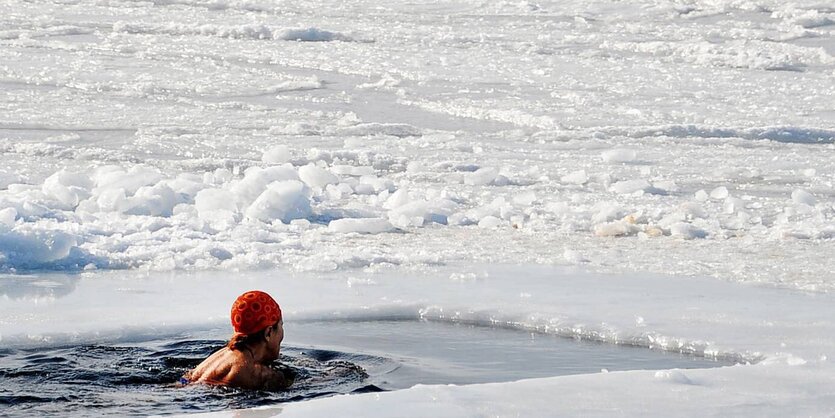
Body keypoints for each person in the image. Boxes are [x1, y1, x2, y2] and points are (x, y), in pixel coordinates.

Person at [180, 290, 293, 391]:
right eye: (281, 325)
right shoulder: (256, 373)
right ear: (268, 333)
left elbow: (184, 382)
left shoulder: (223, 354)